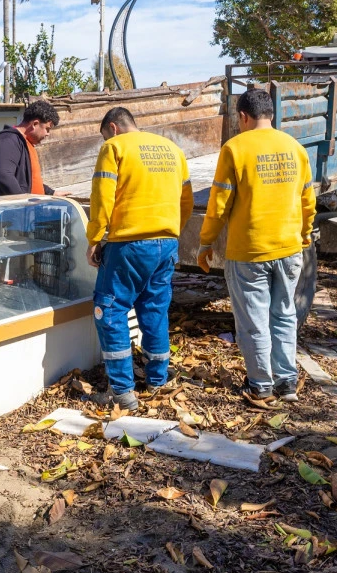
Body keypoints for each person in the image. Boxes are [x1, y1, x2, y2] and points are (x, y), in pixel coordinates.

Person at [197, 88, 316, 404]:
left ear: (243, 117)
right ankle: (287, 382)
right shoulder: (295, 148)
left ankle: (261, 385)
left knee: (253, 321)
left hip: (249, 250)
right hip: (290, 247)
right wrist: (304, 236)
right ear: (272, 115)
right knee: (284, 314)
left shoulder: (234, 149)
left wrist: (206, 242)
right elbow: (307, 200)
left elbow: (219, 203)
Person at [86, 107, 194, 412]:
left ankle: (121, 392)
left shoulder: (114, 147)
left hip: (129, 245)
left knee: (109, 310)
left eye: (105, 135)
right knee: (155, 309)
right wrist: (170, 230)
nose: (105, 140)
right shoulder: (173, 149)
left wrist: (95, 238)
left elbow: (102, 197)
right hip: (166, 242)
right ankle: (157, 380)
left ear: (113, 128)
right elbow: (186, 200)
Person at [0, 99, 60, 197]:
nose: (47, 134)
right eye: (47, 129)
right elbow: (5, 177)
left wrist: (51, 192)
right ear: (35, 124)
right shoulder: (8, 140)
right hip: (11, 210)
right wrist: (23, 204)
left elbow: (28, 181)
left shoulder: (26, 143)